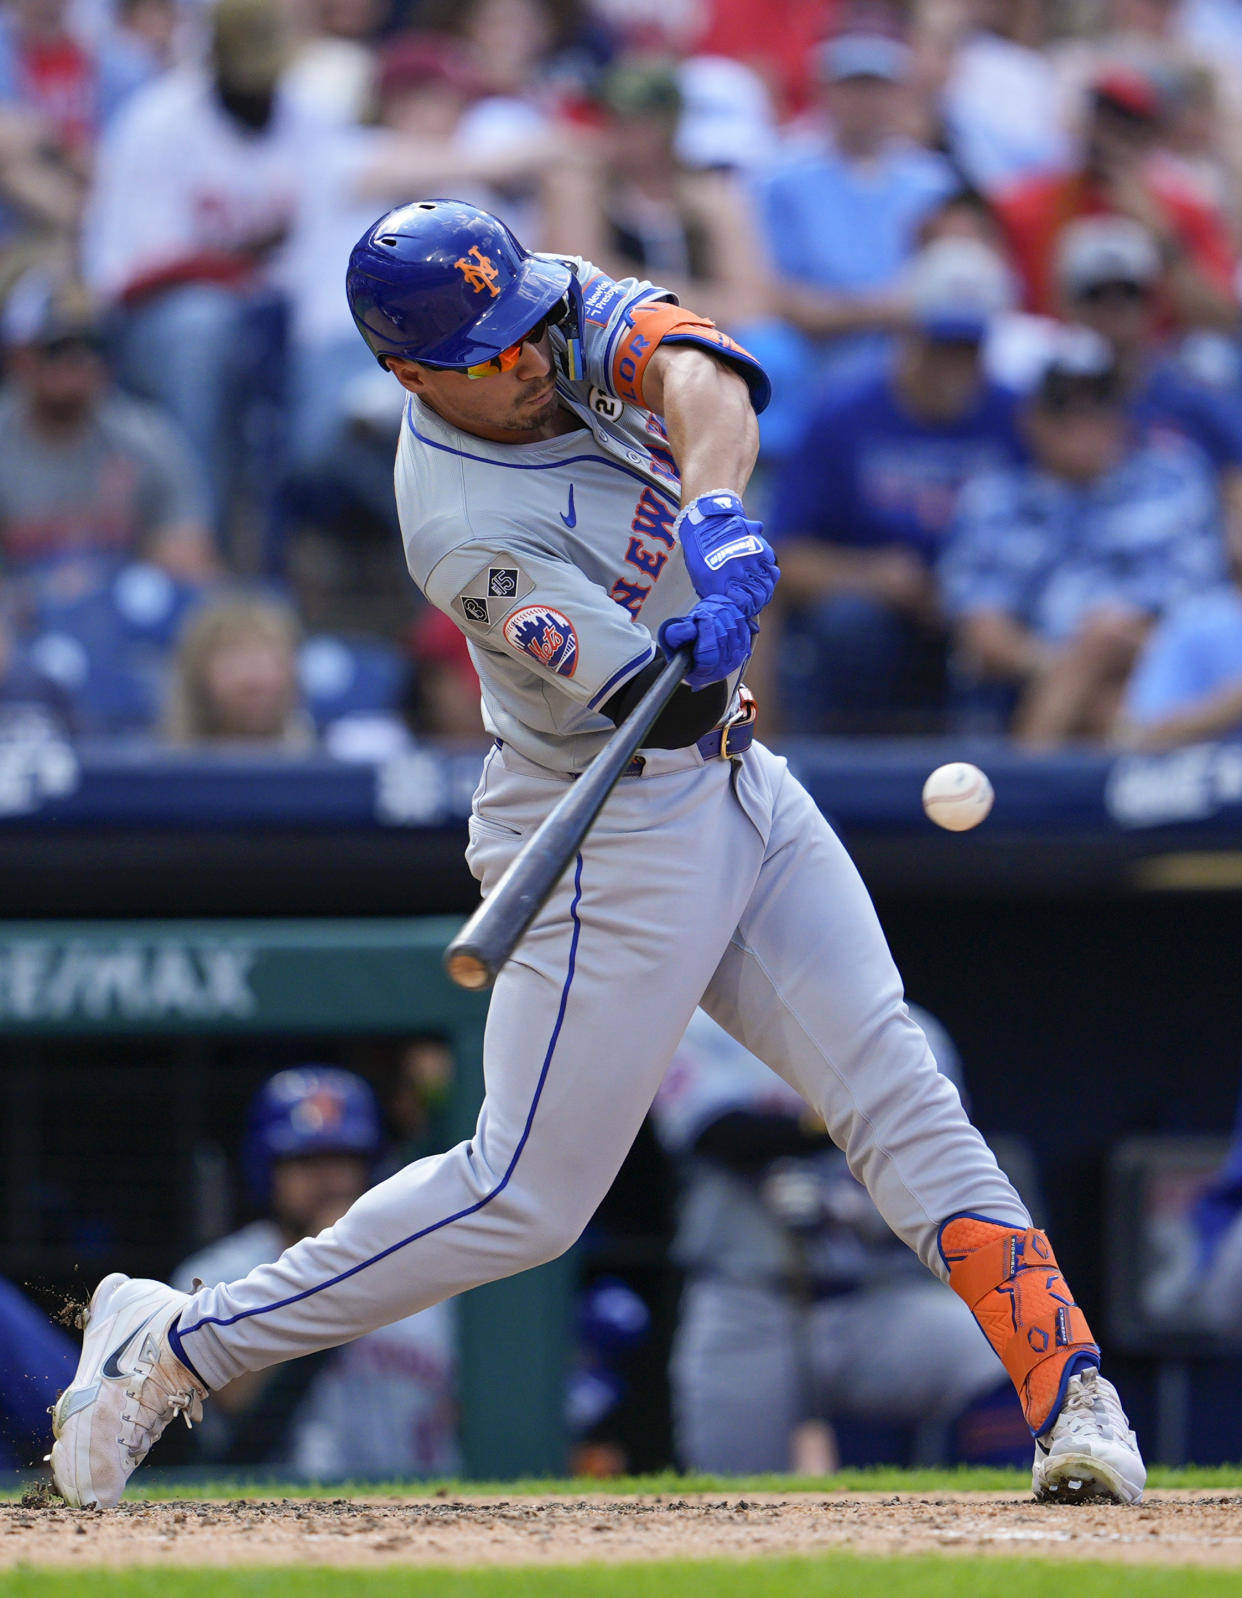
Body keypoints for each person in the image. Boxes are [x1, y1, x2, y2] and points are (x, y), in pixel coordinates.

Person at [50, 196, 1147, 1511]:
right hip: (606, 808)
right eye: (492, 357)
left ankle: (1070, 1389)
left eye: (524, 332)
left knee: (896, 1086)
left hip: (736, 779)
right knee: (521, 1195)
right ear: (410, 376)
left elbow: (704, 370)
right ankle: (174, 1342)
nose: (528, 359)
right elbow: (657, 700)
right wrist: (681, 652)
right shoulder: (460, 527)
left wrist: (719, 515)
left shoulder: (532, 306)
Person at [655, 1008, 1032, 1474]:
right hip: (747, 1305)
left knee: (1001, 1352)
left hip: (874, 1300)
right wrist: (844, 1121)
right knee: (729, 1492)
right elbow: (717, 1132)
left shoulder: (912, 1030)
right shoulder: (698, 1025)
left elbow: (937, 1154)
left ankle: (1013, 1507)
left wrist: (862, 1215)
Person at [764, 235, 1025, 733]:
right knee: (850, 623)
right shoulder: (844, 418)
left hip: (986, 615)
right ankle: (852, 771)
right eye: (943, 346)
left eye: (968, 349)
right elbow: (782, 554)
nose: (956, 366)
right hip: (883, 623)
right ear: (909, 336)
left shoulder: (1016, 416)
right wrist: (870, 575)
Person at [940, 328, 1226, 746]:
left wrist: (1107, 647)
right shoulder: (994, 500)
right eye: (1064, 408)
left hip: (1163, 665)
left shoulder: (1175, 479)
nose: (1084, 423)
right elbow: (984, 635)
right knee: (1104, 694)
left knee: (1109, 651)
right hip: (1036, 676)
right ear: (1032, 419)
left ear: (1124, 414)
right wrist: (1074, 659)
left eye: (1099, 406)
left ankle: (1026, 795)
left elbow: (1199, 610)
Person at [171, 1068, 457, 1479]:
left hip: (430, 1504)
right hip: (274, 1510)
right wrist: (331, 1271)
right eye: (305, 1161)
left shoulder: (431, 1268)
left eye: (343, 1158)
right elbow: (230, 1400)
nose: (327, 1178)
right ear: (267, 1169)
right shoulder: (216, 1275)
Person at [0, 273, 215, 581]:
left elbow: (190, 567)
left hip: (124, 619)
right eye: (59, 347)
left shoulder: (147, 439)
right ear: (20, 357)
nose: (80, 361)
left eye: (94, 345)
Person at [994, 65, 1238, 333]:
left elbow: (1224, 320)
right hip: (1056, 356)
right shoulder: (1025, 206)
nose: (1110, 137)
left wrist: (1160, 235)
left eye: (1127, 124)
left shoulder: (1187, 211)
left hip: (1152, 364)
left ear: (1151, 136)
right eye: (1104, 117)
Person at [1055, 215, 1242, 548]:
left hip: (1182, 562)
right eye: (1097, 294)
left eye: (1129, 292)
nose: (1114, 308)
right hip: (1076, 561)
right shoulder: (1050, 398)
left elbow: (1236, 474)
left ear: (1152, 302)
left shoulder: (1191, 392)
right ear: (1070, 305)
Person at [163, 593, 313, 746]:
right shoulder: (163, 763)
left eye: (268, 659)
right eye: (234, 661)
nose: (255, 680)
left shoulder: (314, 758)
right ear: (198, 674)